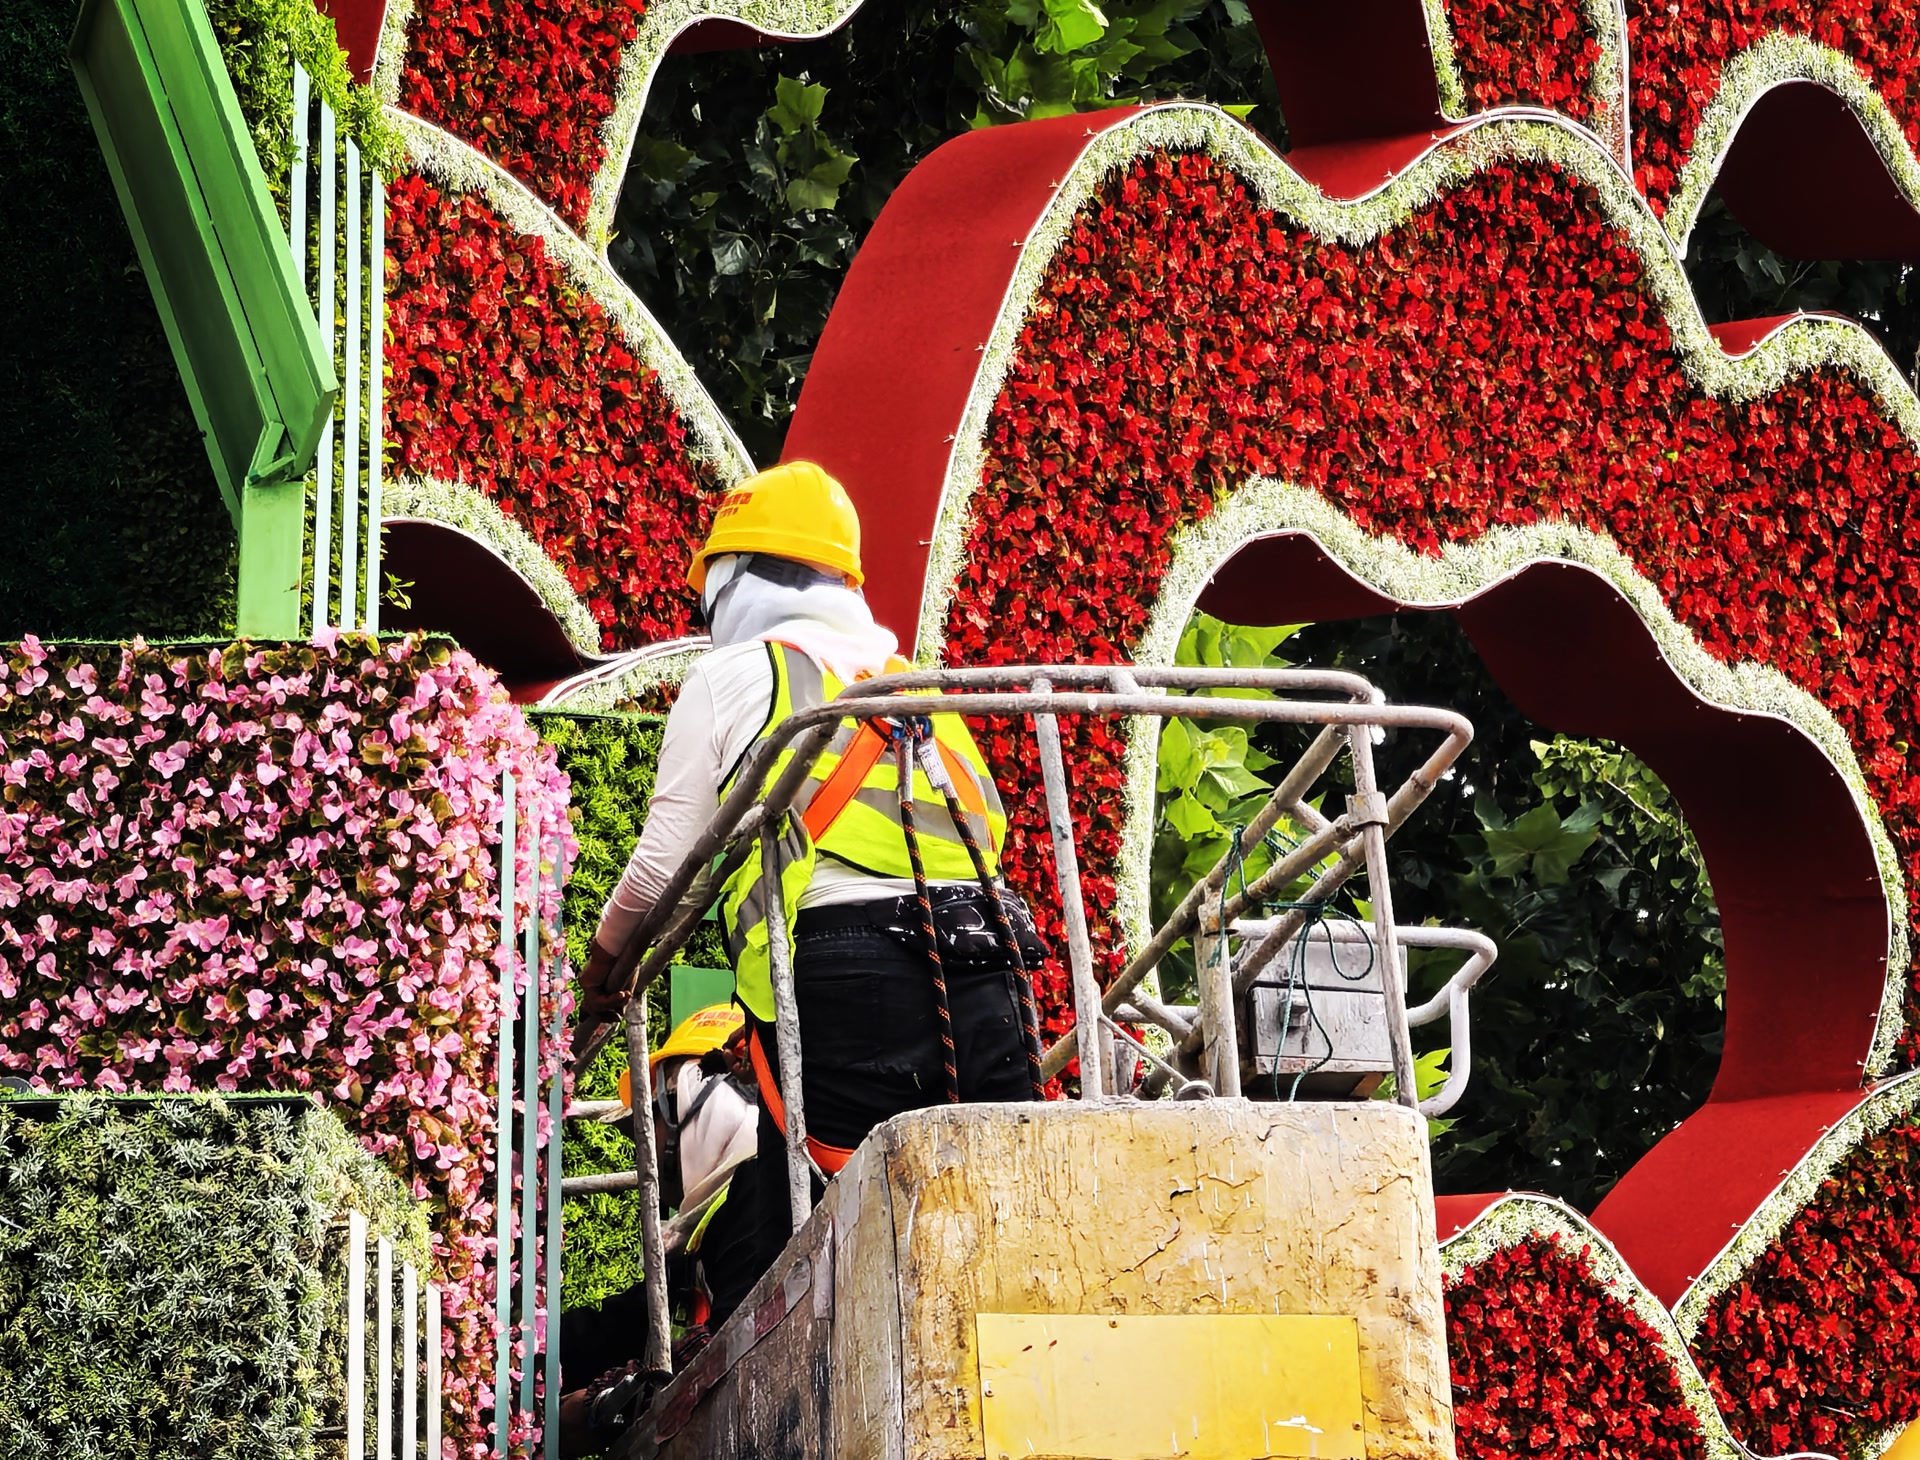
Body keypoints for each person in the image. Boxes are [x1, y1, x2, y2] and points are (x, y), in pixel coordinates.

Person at [579, 459, 1045, 1330]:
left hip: (849, 973)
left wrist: (604, 973)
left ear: (733, 580)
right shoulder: (919, 690)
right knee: (989, 1232)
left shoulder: (737, 673)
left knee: (846, 1227)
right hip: (989, 963)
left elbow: (661, 872)